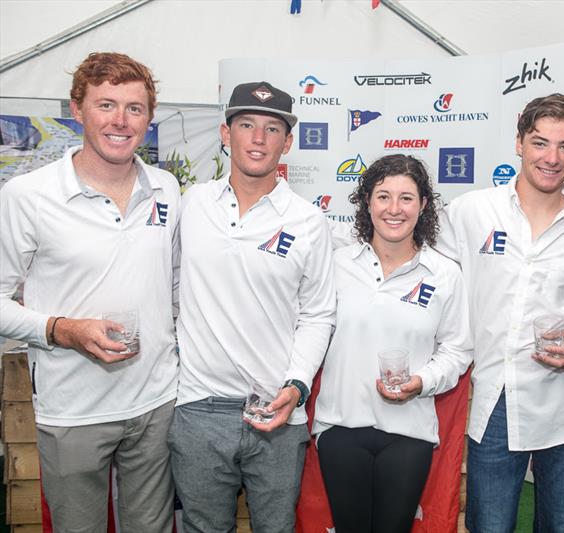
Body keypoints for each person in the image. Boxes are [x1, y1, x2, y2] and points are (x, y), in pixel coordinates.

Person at [0, 52, 179, 532]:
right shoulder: (28, 196)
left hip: (156, 403)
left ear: (149, 117)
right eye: (106, 105)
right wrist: (63, 329)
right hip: (73, 409)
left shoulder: (166, 188)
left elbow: (175, 286)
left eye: (134, 108)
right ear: (77, 110)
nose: (120, 121)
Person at [168, 81, 336, 533]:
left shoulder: (308, 221)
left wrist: (297, 386)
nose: (258, 138)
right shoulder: (192, 205)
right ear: (226, 134)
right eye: (246, 125)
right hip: (199, 409)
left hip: (277, 414)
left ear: (288, 141)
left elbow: (319, 313)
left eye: (272, 128)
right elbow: (168, 287)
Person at [437, 93, 564, 533]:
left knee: (561, 526)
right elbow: (433, 283)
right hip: (494, 398)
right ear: (518, 143)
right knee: (489, 526)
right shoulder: (470, 211)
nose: (551, 158)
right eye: (539, 143)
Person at [312, 154, 472, 532]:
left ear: (424, 205)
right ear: (367, 202)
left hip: (409, 432)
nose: (394, 209)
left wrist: (422, 381)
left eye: (406, 198)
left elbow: (457, 350)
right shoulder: (335, 264)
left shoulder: (444, 273)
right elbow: (309, 327)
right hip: (340, 427)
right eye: (383, 196)